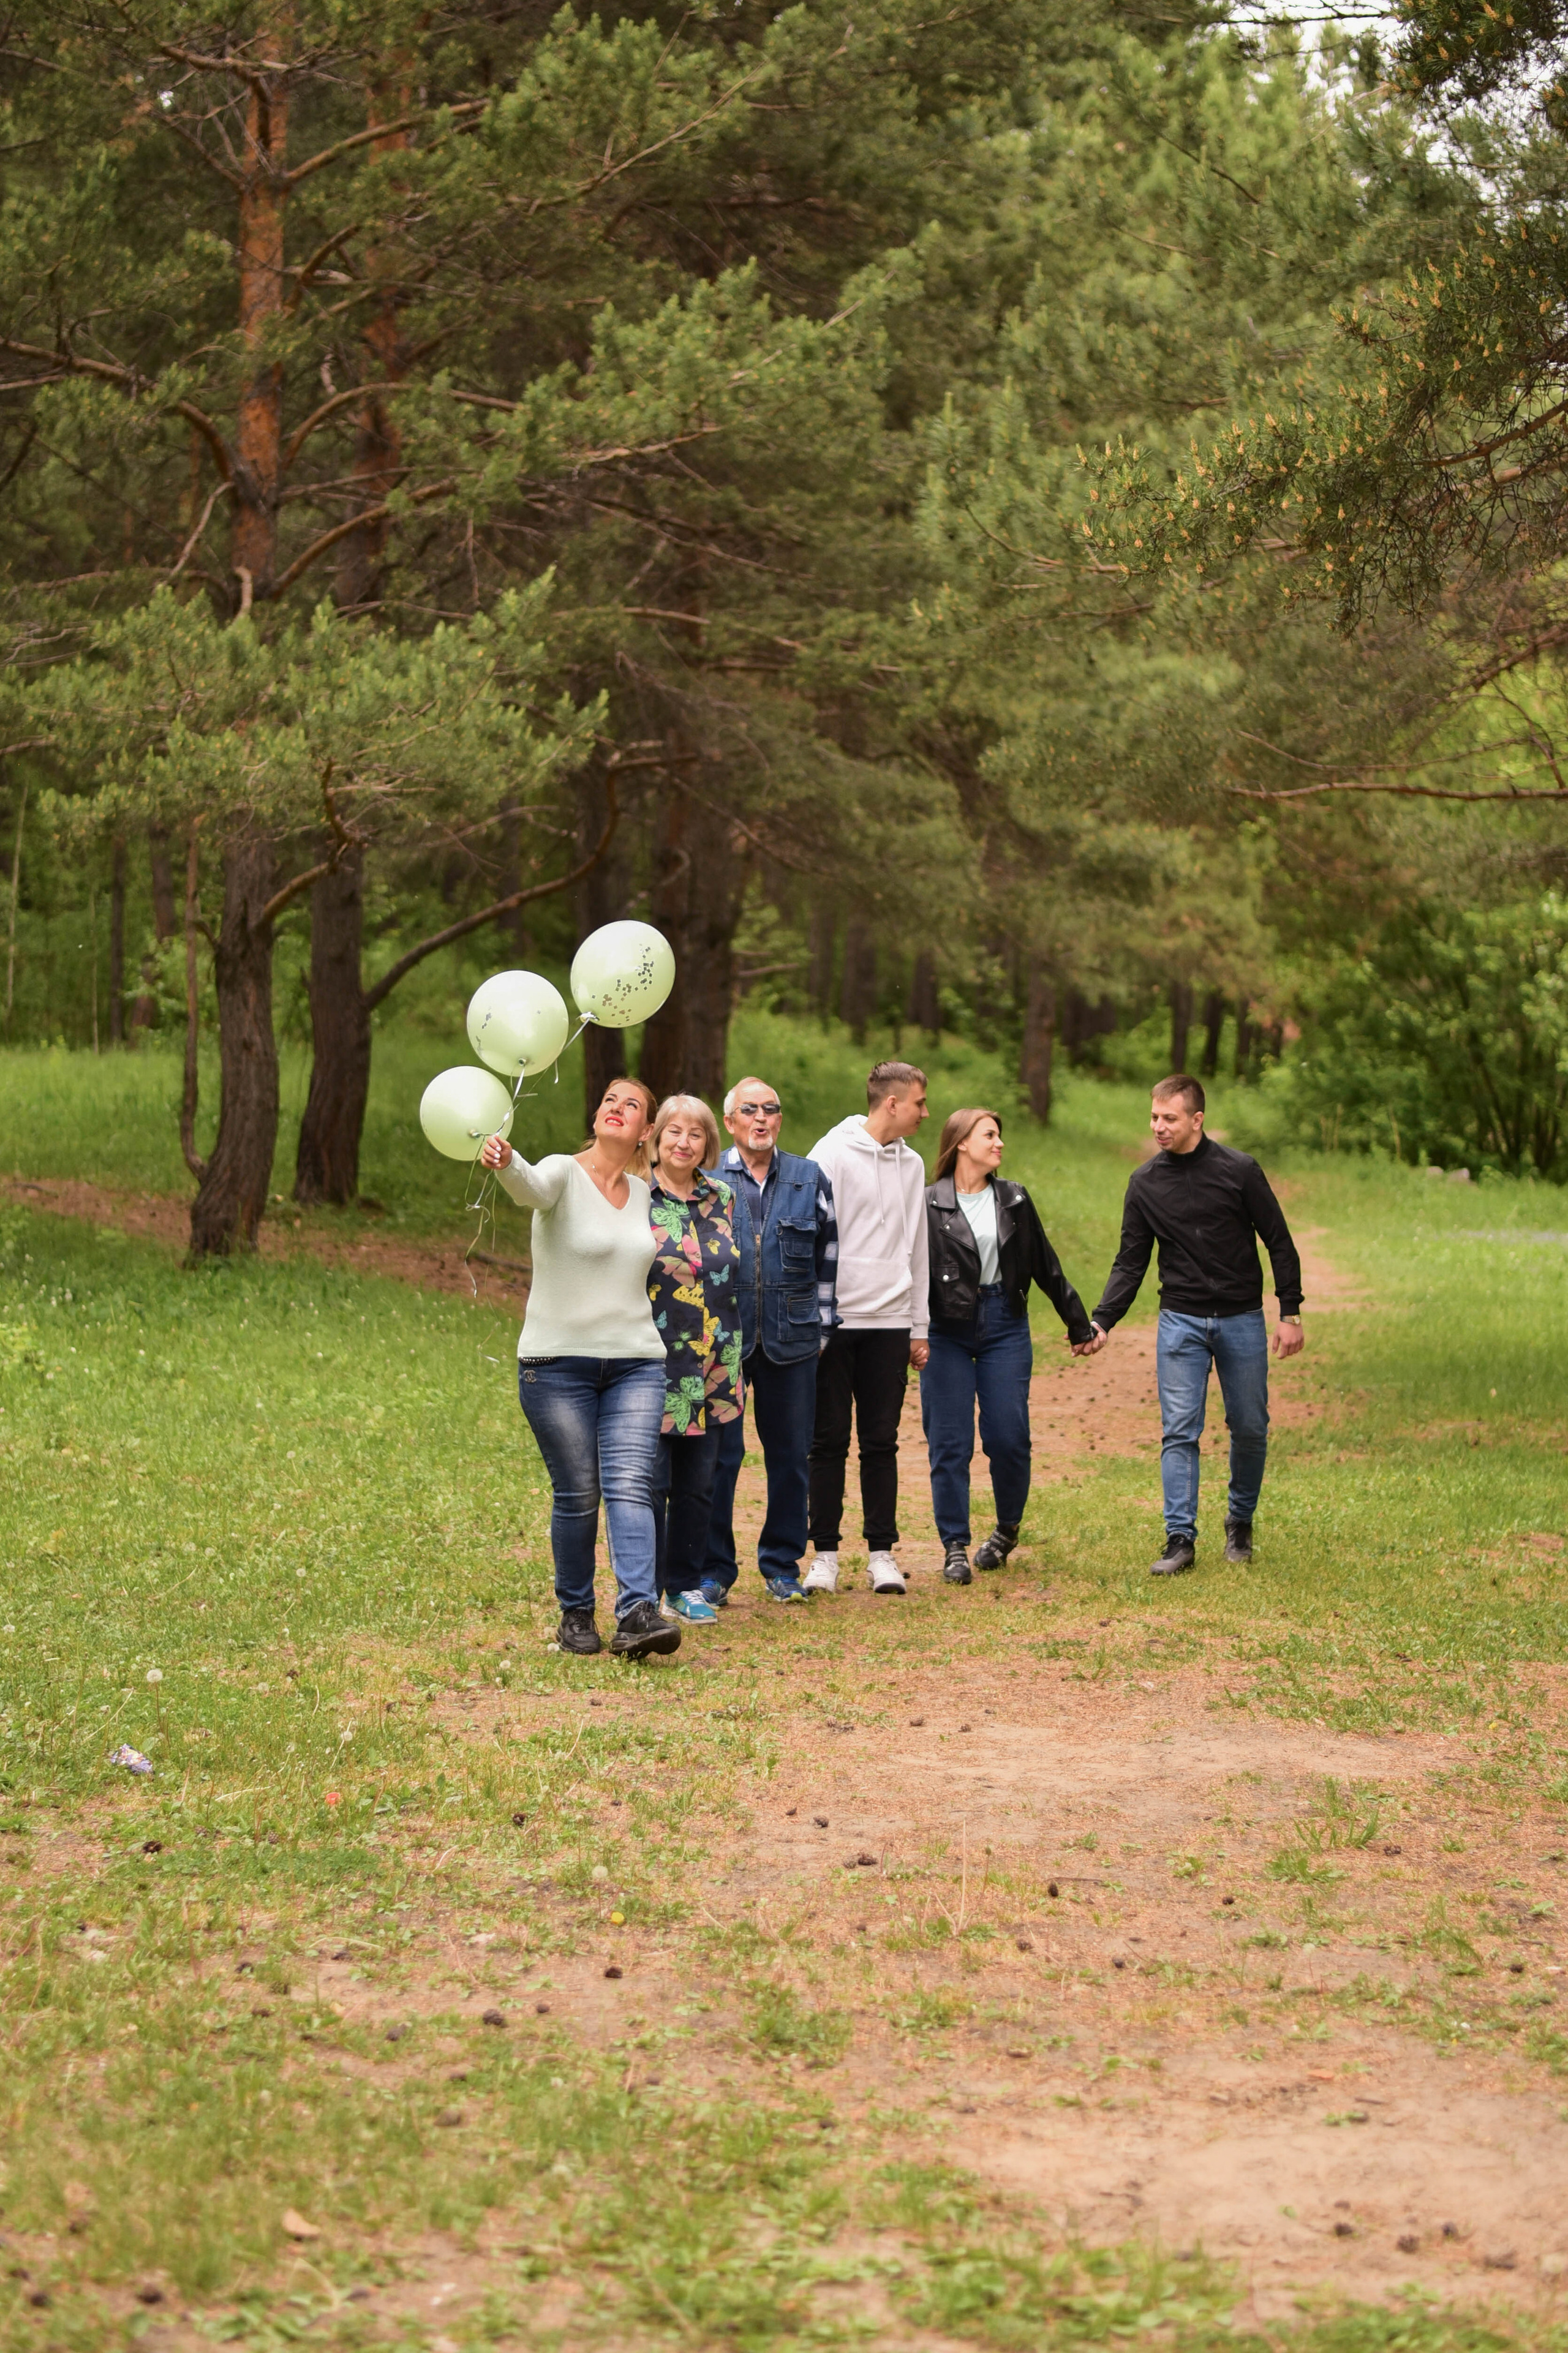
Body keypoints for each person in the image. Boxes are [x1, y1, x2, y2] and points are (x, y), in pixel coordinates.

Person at [480, 1077, 680, 1659]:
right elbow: (530, 1188)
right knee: (579, 1492)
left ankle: (639, 1613)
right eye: (610, 1100)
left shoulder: (644, 1194)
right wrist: (505, 1158)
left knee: (631, 1487)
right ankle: (576, 1614)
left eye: (632, 1105)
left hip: (636, 1363)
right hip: (556, 1364)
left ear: (646, 1132)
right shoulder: (562, 1172)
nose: (617, 1109)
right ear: (597, 1115)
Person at [1088, 1073, 1304, 1576]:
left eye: (1169, 1118)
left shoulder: (1240, 1171)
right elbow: (1130, 1262)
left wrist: (1289, 1312)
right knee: (1180, 1431)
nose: (1158, 1127)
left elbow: (1279, 1241)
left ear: (1197, 1120)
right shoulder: (1145, 1183)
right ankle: (1179, 1539)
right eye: (1154, 1117)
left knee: (1250, 1427)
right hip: (1180, 1321)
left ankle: (1240, 1521)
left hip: (1241, 1320)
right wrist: (1102, 1321)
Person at [922, 1107, 1098, 1584]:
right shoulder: (927, 1202)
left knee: (1008, 1437)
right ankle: (954, 1545)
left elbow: (1045, 1262)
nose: (999, 1144)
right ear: (961, 1143)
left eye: (999, 1136)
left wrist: (1079, 1324)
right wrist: (908, 1332)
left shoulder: (1014, 1198)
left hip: (1004, 1322)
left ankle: (1005, 1530)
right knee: (950, 1443)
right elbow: (910, 1272)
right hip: (945, 1329)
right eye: (990, 1135)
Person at [701, 1077, 839, 1606]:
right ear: (731, 1122)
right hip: (725, 1342)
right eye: (750, 1110)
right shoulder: (710, 1181)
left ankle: (782, 1566)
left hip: (794, 1338)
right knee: (721, 1457)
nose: (761, 1118)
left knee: (790, 1457)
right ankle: (715, 1570)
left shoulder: (809, 1178)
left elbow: (829, 1254)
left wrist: (823, 1326)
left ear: (780, 1120)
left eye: (771, 1109)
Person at [805, 1061, 930, 1595]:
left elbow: (919, 1246)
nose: (927, 1112)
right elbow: (808, 1240)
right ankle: (824, 1558)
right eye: (920, 1102)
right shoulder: (828, 1154)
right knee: (827, 1440)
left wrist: (919, 1323)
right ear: (893, 1103)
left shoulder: (914, 1164)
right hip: (836, 1323)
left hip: (892, 1322)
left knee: (881, 1442)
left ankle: (882, 1555)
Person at [645, 1093, 744, 1627]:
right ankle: (646, 1588)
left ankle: (685, 1585)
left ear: (709, 1143)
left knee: (700, 1481)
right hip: (655, 1362)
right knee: (651, 1482)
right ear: (657, 1138)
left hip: (717, 1364)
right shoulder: (638, 1196)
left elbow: (733, 1273)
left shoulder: (722, 1196)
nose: (685, 1142)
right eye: (674, 1132)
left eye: (697, 1134)